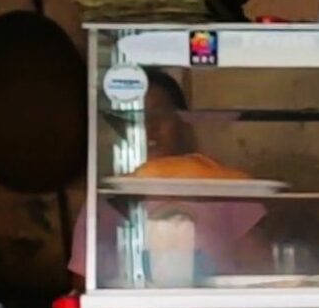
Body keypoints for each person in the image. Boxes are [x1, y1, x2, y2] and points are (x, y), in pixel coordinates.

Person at [68, 68, 268, 289]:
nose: (149, 128)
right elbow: (83, 287)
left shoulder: (226, 188)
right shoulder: (107, 200)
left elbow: (260, 274)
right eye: (136, 118)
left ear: (183, 122)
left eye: (161, 115)